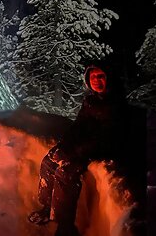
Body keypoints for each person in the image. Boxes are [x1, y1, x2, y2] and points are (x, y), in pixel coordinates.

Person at [28, 61, 129, 236]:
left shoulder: (116, 104)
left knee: (66, 170)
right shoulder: (90, 101)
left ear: (109, 79)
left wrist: (73, 152)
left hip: (103, 149)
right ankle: (47, 206)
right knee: (49, 161)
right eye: (92, 77)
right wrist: (63, 146)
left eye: (101, 76)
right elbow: (78, 128)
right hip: (87, 146)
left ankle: (65, 224)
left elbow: (105, 138)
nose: (96, 80)